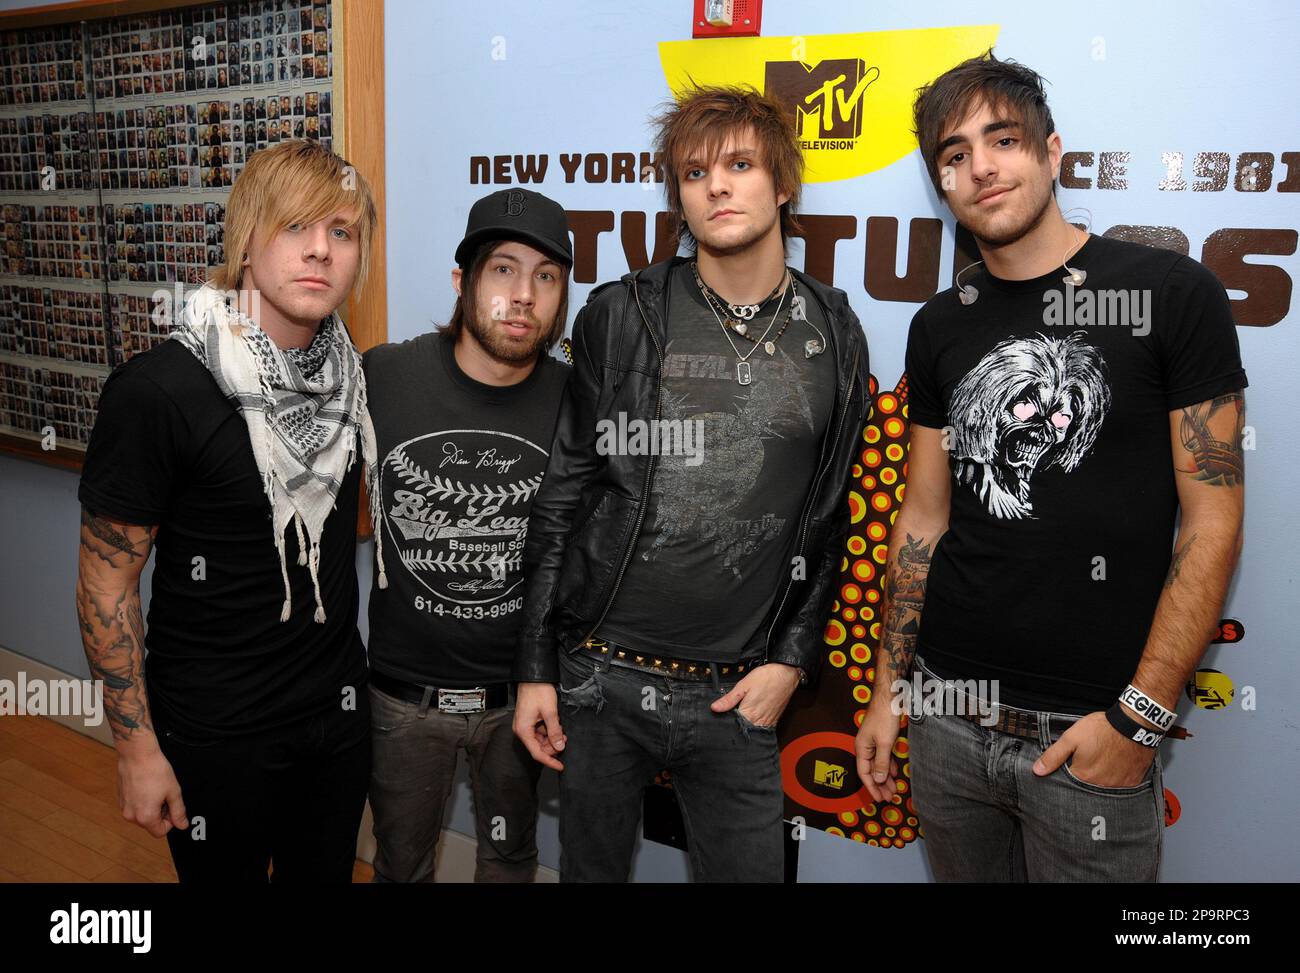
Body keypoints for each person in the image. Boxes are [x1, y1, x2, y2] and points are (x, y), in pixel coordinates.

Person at [853, 52, 1248, 882]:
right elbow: (923, 519)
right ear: (941, 182)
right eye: (954, 155)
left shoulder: (1172, 294)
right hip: (946, 716)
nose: (980, 167)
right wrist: (893, 687)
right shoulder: (939, 327)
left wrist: (1137, 719)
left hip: (1088, 735)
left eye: (1002, 139)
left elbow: (1211, 521)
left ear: (1052, 150)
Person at [512, 85, 872, 882]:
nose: (716, 185)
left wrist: (791, 659)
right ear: (678, 194)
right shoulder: (621, 315)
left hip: (741, 692)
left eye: (740, 164)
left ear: (783, 185)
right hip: (600, 679)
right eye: (694, 170)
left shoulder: (836, 330)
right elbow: (564, 496)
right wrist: (537, 665)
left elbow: (830, 512)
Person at [76, 139, 382, 883]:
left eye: (341, 232)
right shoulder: (158, 391)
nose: (320, 251)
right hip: (215, 734)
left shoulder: (354, 385)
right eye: (295, 227)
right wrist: (137, 749)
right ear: (246, 239)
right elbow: (106, 589)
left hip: (336, 719)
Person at [363, 189, 573, 882]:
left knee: (510, 857)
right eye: (503, 270)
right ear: (464, 282)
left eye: (546, 276)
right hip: (402, 699)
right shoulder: (385, 376)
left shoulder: (577, 400)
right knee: (402, 864)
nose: (524, 295)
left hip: (520, 697)